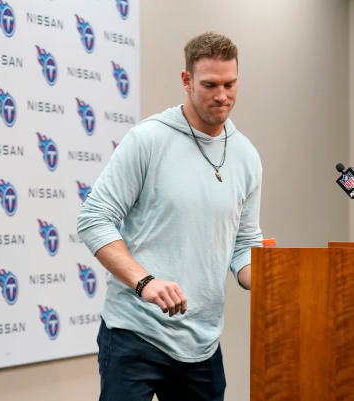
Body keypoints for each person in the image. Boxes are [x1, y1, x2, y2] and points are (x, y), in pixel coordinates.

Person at [77, 31, 263, 401]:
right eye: (210, 85)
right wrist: (144, 282)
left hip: (202, 344)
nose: (222, 95)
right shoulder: (147, 139)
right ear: (187, 80)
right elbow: (94, 218)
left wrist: (276, 279)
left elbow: (244, 244)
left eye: (229, 84)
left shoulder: (246, 155)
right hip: (135, 333)